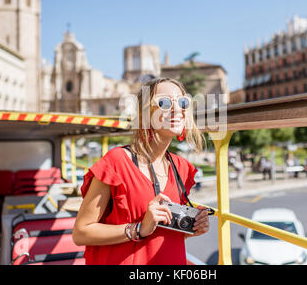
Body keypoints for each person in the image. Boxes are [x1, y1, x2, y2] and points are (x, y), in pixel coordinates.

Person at [73, 77, 210, 265]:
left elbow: (161, 235)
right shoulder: (116, 163)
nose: (177, 109)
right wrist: (138, 229)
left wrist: (192, 227)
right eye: (164, 102)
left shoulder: (182, 169)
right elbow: (81, 233)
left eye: (183, 102)